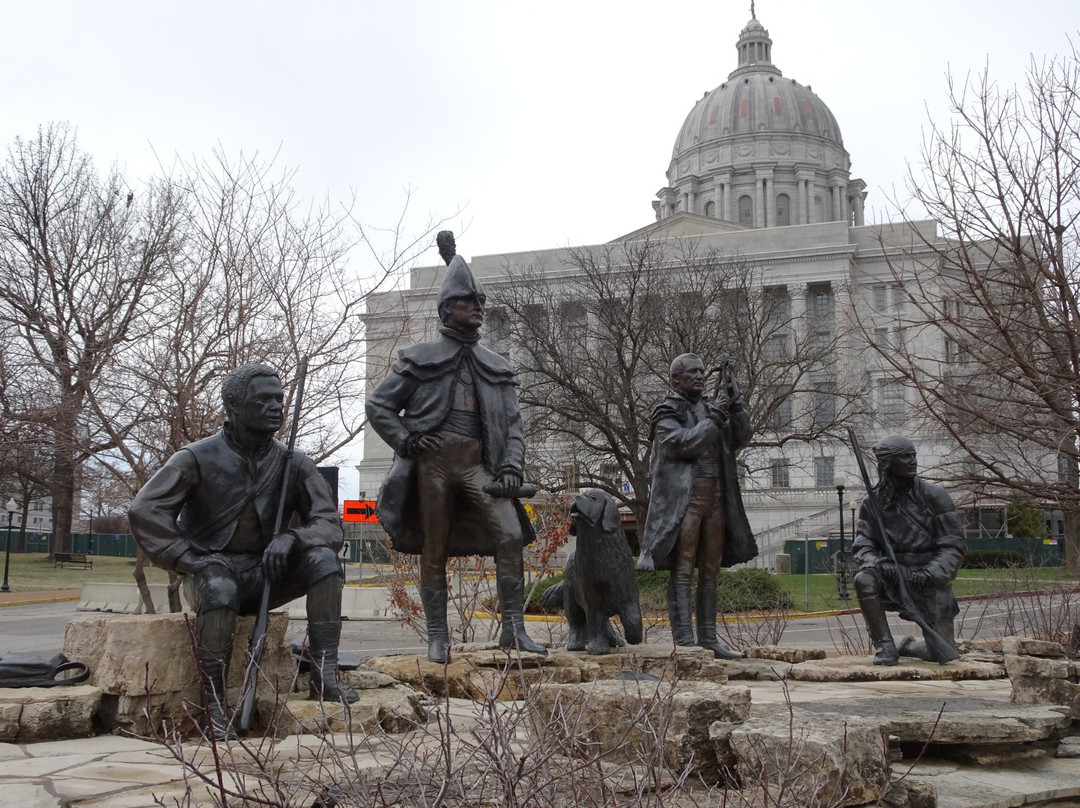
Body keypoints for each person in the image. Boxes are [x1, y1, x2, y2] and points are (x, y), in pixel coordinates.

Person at [129, 364, 356, 740]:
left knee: (325, 562)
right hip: (212, 573)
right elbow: (145, 511)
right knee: (220, 588)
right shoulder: (195, 457)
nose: (276, 407)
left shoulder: (294, 462)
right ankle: (213, 701)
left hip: (269, 571)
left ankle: (324, 674)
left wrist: (293, 538)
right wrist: (191, 559)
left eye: (279, 399)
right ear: (233, 405)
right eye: (263, 400)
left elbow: (329, 523)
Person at [365, 231, 547, 663]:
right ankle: (436, 636)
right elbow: (379, 405)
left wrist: (510, 469)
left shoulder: (498, 367)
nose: (481, 310)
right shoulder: (419, 357)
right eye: (472, 303)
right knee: (435, 545)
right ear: (449, 309)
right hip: (433, 466)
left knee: (509, 535)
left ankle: (514, 631)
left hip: (476, 466)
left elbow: (513, 427)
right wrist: (407, 440)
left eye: (481, 303)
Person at [636, 353, 758, 659]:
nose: (701, 376)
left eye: (704, 371)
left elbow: (742, 436)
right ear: (676, 379)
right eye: (693, 372)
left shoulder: (709, 407)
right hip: (685, 502)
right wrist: (716, 416)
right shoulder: (666, 411)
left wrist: (736, 400)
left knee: (710, 571)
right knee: (682, 570)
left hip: (716, 500)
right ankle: (686, 642)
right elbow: (683, 444)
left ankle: (709, 638)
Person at [852, 434, 965, 665]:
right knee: (864, 579)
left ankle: (908, 646)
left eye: (913, 455)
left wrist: (931, 574)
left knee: (940, 653)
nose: (912, 461)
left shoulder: (936, 496)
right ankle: (885, 646)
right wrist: (877, 563)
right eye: (904, 457)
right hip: (893, 574)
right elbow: (863, 544)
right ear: (886, 464)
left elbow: (953, 545)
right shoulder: (871, 503)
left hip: (928, 576)